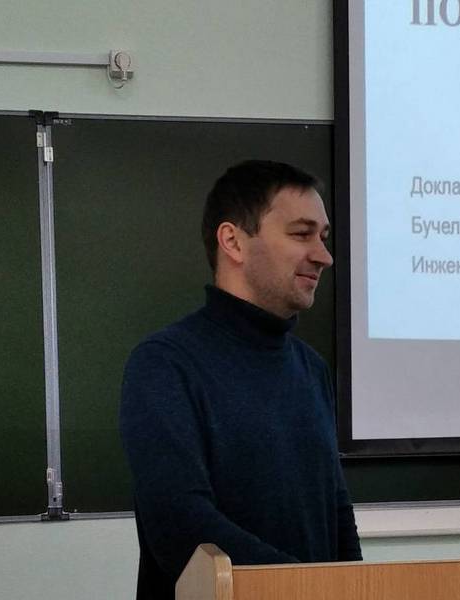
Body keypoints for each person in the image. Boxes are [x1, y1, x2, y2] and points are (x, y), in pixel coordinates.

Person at [119, 160, 362, 600]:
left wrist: (354, 589)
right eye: (301, 234)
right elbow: (180, 526)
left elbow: (336, 511)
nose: (324, 256)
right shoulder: (165, 364)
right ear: (233, 241)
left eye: (323, 238)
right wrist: (308, 588)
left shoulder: (311, 369)